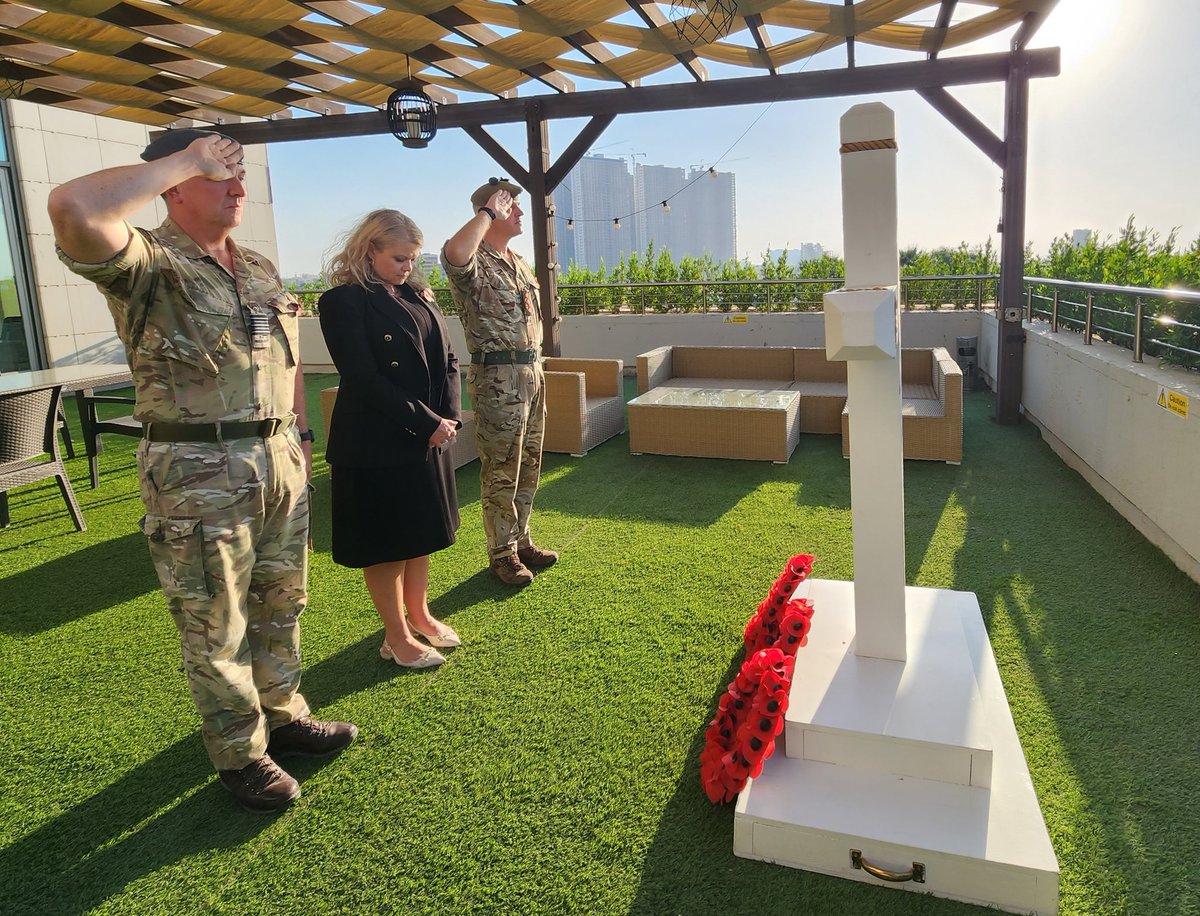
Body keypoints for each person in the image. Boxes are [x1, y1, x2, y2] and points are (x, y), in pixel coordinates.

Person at [47, 128, 356, 815]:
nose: (239, 188)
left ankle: (285, 714)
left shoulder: (256, 268)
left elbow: (286, 357)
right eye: (222, 175)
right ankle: (241, 756)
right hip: (197, 469)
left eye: (239, 174)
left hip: (276, 459)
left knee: (283, 603)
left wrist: (299, 435)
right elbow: (71, 206)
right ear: (174, 186)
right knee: (216, 624)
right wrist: (185, 157)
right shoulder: (148, 264)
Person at [318, 210, 461, 669]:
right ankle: (395, 636)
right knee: (386, 544)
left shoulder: (416, 294)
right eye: (399, 258)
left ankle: (418, 614)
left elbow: (449, 358)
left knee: (418, 535)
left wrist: (449, 417)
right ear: (369, 250)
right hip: (376, 441)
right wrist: (427, 423)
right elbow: (363, 378)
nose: (407, 267)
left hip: (425, 435)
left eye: (413, 259)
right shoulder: (342, 302)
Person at [441, 178, 558, 586]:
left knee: (528, 464)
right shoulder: (475, 262)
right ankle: (501, 553)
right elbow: (453, 255)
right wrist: (487, 212)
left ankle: (522, 539)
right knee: (502, 468)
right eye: (514, 207)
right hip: (497, 378)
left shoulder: (518, 262)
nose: (521, 213)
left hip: (531, 374)